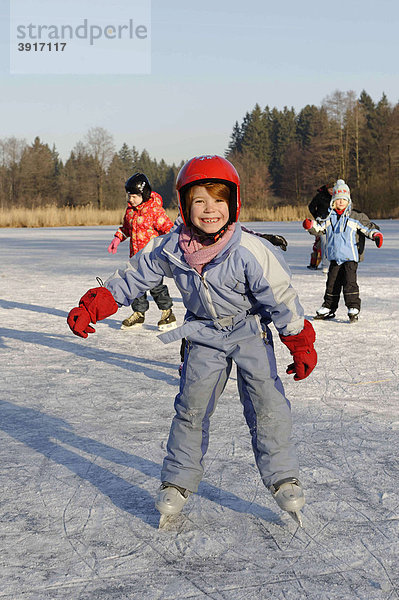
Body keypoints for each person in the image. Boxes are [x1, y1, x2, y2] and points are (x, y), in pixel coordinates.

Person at [67, 155, 317, 527]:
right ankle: (178, 481)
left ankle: (283, 476)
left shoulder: (249, 249)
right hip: (203, 335)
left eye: (218, 200)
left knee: (268, 404)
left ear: (233, 204)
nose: (209, 210)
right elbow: (134, 275)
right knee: (192, 408)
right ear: (184, 206)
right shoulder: (171, 247)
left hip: (249, 331)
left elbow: (279, 297)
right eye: (199, 201)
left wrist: (299, 341)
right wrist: (96, 304)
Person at [303, 179, 383, 322]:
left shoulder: (355, 217)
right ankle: (328, 307)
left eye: (344, 199)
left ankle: (353, 307)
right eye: (338, 199)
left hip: (350, 257)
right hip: (334, 257)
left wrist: (376, 235)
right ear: (333, 200)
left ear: (348, 201)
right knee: (331, 283)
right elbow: (319, 228)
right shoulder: (328, 217)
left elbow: (367, 228)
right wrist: (311, 225)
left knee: (349, 283)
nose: (341, 202)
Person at [107, 172, 177, 331]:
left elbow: (168, 229)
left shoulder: (154, 211)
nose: (130, 199)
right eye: (129, 196)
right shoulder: (130, 211)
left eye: (134, 196)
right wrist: (117, 239)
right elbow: (126, 229)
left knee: (156, 287)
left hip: (152, 259)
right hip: (135, 257)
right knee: (135, 286)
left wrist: (169, 247)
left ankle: (168, 313)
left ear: (144, 194)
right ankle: (138, 314)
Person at [307, 184, 333, 273]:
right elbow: (311, 207)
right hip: (321, 222)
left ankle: (333, 264)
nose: (332, 191)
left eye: (334, 189)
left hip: (333, 223)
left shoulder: (337, 197)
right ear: (326, 189)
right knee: (324, 243)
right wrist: (317, 216)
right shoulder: (320, 196)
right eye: (330, 189)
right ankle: (325, 265)